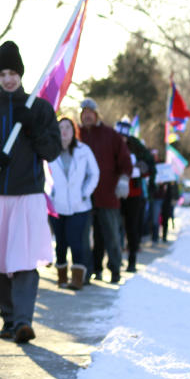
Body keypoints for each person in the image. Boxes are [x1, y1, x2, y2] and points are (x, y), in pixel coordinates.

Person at [0, 41, 61, 344]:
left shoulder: (39, 108)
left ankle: (23, 321)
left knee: (24, 259)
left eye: (13, 72)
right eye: (3, 73)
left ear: (21, 73)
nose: (9, 78)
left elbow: (53, 151)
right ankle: (8, 318)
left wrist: (33, 129)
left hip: (28, 194)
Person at [78, 98, 132, 284]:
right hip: (82, 197)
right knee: (85, 237)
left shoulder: (111, 135)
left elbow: (125, 160)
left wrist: (124, 179)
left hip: (107, 195)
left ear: (96, 114)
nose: (87, 116)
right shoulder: (77, 136)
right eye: (83, 113)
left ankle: (115, 270)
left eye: (90, 112)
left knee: (111, 236)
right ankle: (90, 269)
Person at [47, 117, 99, 290]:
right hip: (57, 206)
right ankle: (62, 278)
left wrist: (85, 193)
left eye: (68, 127)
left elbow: (94, 174)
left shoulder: (84, 150)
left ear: (73, 130)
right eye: (61, 127)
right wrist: (49, 194)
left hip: (79, 206)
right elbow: (44, 176)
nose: (64, 130)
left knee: (76, 242)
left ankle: (77, 280)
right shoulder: (50, 152)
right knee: (61, 244)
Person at [115, 120, 155, 272]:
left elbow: (149, 164)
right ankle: (116, 259)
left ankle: (132, 260)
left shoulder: (136, 147)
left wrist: (139, 168)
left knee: (132, 228)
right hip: (116, 193)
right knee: (116, 227)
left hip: (134, 194)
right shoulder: (113, 145)